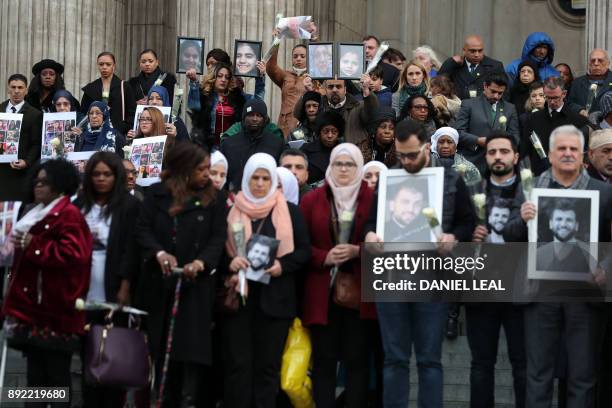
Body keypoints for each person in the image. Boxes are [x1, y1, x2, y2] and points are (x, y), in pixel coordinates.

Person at [364, 119, 475, 408]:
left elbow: (468, 222)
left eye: (412, 154)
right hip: (392, 279)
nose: (407, 161)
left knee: (429, 360)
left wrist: (454, 236)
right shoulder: (390, 180)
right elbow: (370, 222)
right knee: (395, 359)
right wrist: (370, 235)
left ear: (428, 147)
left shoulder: (450, 180)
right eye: (401, 155)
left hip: (432, 280)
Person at [504, 124, 612, 408]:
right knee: (538, 374)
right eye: (561, 149)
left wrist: (606, 269)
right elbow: (509, 233)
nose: (567, 154)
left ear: (583, 155)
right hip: (540, 293)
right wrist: (522, 218)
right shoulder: (531, 188)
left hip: (585, 295)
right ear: (550, 154)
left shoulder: (603, 191)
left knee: (583, 375)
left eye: (573, 149)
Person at [134, 142, 227, 406]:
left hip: (194, 289)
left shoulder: (215, 199)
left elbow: (217, 238)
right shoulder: (156, 195)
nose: (207, 175)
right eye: (201, 169)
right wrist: (159, 254)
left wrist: (200, 263)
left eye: (209, 169)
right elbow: (143, 230)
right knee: (161, 351)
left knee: (190, 357)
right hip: (159, 285)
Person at [221, 153, 310, 408]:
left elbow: (303, 251)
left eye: (265, 178)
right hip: (240, 302)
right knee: (239, 367)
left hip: (275, 303)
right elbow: (218, 250)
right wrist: (230, 262)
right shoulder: (233, 210)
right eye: (255, 178)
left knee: (267, 368)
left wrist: (283, 265)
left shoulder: (289, 212)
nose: (259, 183)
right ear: (246, 178)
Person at [2, 159, 91, 403]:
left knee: (56, 378)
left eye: (45, 182)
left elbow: (75, 256)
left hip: (56, 311)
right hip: (33, 310)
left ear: (60, 185)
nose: (38, 186)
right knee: (34, 379)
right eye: (37, 181)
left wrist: (35, 245)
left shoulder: (69, 215)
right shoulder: (34, 212)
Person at [299, 143, 376, 408]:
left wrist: (358, 251)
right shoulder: (312, 200)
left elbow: (387, 243)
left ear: (359, 167)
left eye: (350, 164)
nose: (344, 169)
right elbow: (299, 248)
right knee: (324, 363)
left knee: (357, 363)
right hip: (322, 293)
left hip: (360, 295)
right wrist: (324, 257)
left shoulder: (373, 199)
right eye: (339, 164)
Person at [75, 151, 140, 407]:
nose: (101, 179)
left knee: (114, 354)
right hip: (84, 291)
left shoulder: (129, 206)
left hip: (114, 291)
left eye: (107, 174)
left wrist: (125, 285)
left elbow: (130, 249)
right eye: (96, 174)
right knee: (87, 355)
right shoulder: (80, 204)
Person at [468, 132, 526, 408]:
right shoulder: (472, 192)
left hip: (520, 289)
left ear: (515, 156)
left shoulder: (531, 193)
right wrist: (470, 237)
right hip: (482, 291)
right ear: (486, 156)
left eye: (504, 151)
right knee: (481, 364)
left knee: (522, 363)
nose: (498, 157)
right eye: (492, 152)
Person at [522, 77, 593, 175]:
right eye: (548, 97)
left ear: (564, 94)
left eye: (555, 97)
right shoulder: (533, 119)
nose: (551, 102)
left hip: (568, 174)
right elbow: (525, 150)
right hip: (539, 175)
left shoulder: (578, 119)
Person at [187, 62, 265, 150]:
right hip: (208, 148)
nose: (223, 79)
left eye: (227, 77)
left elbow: (257, 104)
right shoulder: (204, 96)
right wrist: (194, 83)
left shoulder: (238, 97)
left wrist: (260, 78)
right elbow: (193, 107)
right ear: (213, 77)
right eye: (220, 76)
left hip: (232, 147)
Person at [455, 73, 520, 174]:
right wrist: (477, 140)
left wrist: (502, 146)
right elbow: (458, 132)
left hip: (500, 162)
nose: (496, 96)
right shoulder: (468, 104)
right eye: (493, 91)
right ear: (485, 86)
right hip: (472, 161)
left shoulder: (510, 108)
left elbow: (515, 136)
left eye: (500, 93)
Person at [221, 99, 285, 192]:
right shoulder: (229, 144)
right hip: (236, 197)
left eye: (259, 115)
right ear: (244, 117)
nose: (254, 119)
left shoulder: (277, 144)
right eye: (251, 115)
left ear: (265, 119)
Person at [297, 75, 378, 145]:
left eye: (338, 86)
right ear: (325, 89)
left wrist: (367, 91)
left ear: (345, 89)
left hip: (352, 156)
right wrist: (308, 93)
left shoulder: (358, 107)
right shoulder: (319, 106)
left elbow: (372, 114)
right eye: (330, 87)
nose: (334, 90)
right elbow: (298, 115)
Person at [0, 74, 43, 201]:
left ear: (26, 90)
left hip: (20, 172)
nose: (16, 91)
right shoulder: (0, 109)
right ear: (8, 89)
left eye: (20, 87)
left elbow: (36, 143)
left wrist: (27, 161)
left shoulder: (35, 114)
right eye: (13, 87)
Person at [81, 52, 136, 134]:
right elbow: (84, 112)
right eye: (101, 64)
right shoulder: (90, 88)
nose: (104, 67)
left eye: (108, 64)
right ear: (98, 66)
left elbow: (132, 112)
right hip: (95, 134)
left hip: (119, 133)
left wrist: (126, 129)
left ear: (114, 66)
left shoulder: (124, 87)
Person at [438, 35, 506, 100]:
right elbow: (438, 82)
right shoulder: (454, 65)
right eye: (472, 51)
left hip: (484, 108)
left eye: (480, 51)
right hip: (459, 108)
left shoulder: (495, 66)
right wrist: (450, 62)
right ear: (464, 50)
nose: (477, 55)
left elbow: (504, 92)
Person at [266, 43, 310, 137]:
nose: (298, 59)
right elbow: (270, 68)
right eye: (295, 56)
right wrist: (276, 42)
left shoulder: (314, 78)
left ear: (309, 58)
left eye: (302, 56)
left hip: (302, 125)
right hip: (284, 124)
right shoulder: (286, 75)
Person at [301, 111, 344, 185]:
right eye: (326, 131)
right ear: (319, 132)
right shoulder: (306, 150)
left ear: (339, 133)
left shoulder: (345, 152)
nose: (330, 135)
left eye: (334, 132)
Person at [568, 48, 612, 115]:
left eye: (600, 60)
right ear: (589, 64)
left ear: (608, 63)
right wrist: (580, 110)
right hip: (583, 122)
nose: (596, 63)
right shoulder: (577, 82)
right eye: (593, 60)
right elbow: (569, 103)